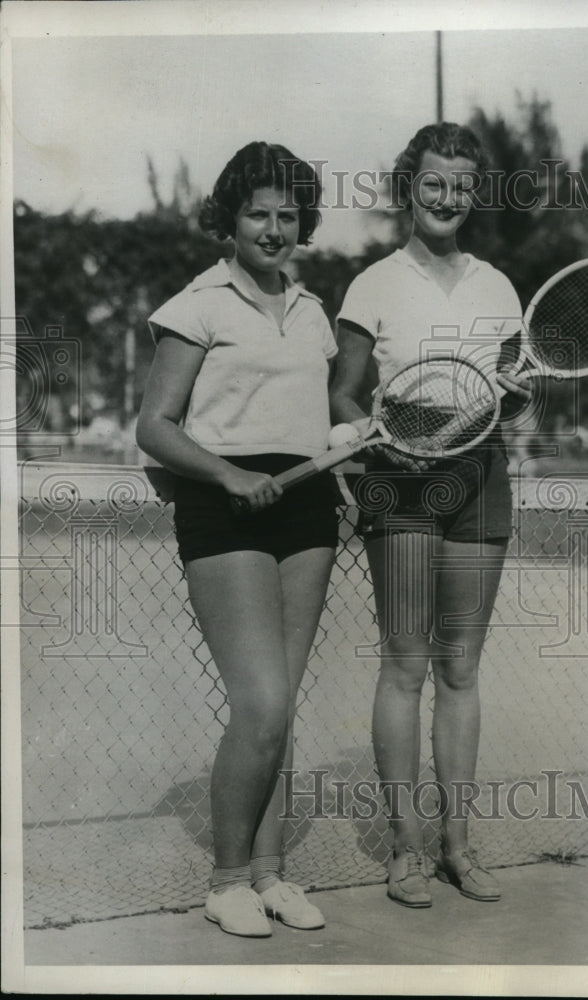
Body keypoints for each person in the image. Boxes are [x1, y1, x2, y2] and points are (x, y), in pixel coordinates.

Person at [136, 141, 339, 937]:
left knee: (281, 707)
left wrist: (350, 433)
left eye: (288, 214)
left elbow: (312, 423)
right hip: (227, 510)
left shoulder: (314, 311)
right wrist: (227, 477)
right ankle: (225, 882)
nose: (274, 227)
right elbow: (155, 426)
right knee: (257, 703)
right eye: (258, 212)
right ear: (227, 222)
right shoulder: (197, 305)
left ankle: (270, 875)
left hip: (307, 506)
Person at [330, 122, 530, 908]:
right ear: (409, 187)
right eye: (433, 183)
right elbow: (344, 393)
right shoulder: (372, 283)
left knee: (459, 667)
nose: (446, 197)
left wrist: (519, 398)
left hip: (479, 478)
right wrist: (375, 446)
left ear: (472, 193)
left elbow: (513, 395)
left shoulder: (499, 286)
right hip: (398, 476)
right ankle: (405, 852)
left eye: (460, 185)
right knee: (405, 664)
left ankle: (458, 846)